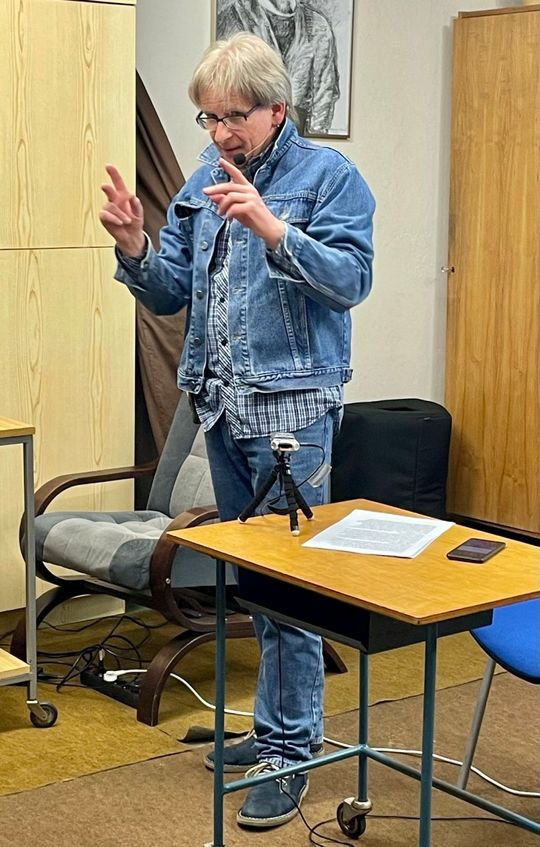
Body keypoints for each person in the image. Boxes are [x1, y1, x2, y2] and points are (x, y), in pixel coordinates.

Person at [99, 32, 375, 829]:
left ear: (277, 109)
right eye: (208, 117)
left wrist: (274, 229)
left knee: (290, 587)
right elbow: (169, 292)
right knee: (252, 583)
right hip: (217, 406)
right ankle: (274, 728)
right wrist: (135, 246)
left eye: (234, 116)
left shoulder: (329, 177)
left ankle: (293, 752)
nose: (220, 132)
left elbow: (352, 280)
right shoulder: (203, 178)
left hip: (292, 411)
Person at [217, 0, 340, 135]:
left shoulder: (318, 26)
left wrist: (308, 142)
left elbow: (324, 94)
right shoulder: (235, 18)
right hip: (248, 136)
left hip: (298, 136)